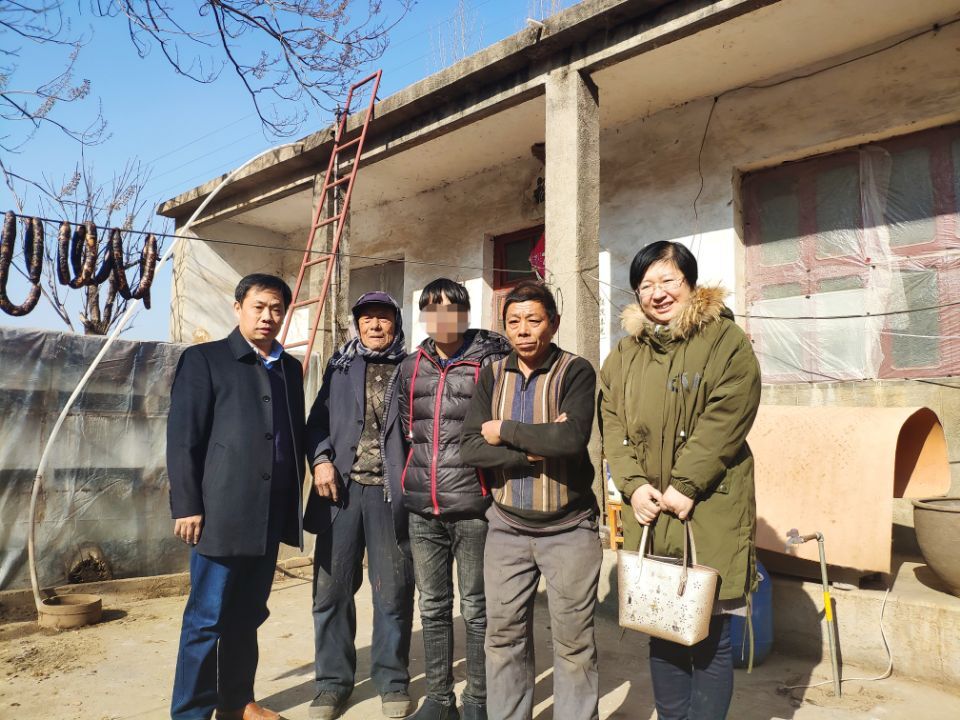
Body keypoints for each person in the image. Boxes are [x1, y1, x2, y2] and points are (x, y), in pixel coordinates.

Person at [598, 241, 761, 720]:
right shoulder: (625, 354)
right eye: (646, 284)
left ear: (691, 284)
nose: (658, 293)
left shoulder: (726, 342)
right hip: (650, 508)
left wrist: (687, 485)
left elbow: (727, 417)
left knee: (708, 633)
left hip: (709, 506)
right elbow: (611, 422)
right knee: (662, 627)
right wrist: (632, 485)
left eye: (668, 280)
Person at [460, 280, 601, 720]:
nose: (523, 330)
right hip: (507, 528)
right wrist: (533, 450)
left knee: (574, 643)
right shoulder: (492, 374)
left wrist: (502, 430)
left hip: (569, 529)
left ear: (553, 323)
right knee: (503, 638)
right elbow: (470, 446)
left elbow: (570, 439)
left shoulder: (575, 371)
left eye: (534, 320)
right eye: (514, 321)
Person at [168, 273, 306, 720]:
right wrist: (187, 504)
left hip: (269, 512)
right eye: (258, 307)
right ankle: (191, 712)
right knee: (206, 618)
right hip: (221, 513)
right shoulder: (205, 360)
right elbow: (183, 438)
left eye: (276, 309)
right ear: (238, 308)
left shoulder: (289, 368)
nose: (268, 316)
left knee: (248, 615)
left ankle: (236, 702)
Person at [395, 278, 510, 720]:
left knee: (477, 607)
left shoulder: (490, 362)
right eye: (433, 309)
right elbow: (408, 428)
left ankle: (478, 699)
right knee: (433, 606)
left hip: (474, 507)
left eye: (451, 309)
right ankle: (440, 700)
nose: (442, 318)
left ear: (465, 313)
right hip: (423, 509)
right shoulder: (411, 366)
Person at [304, 291, 415, 720]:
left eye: (383, 318)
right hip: (342, 492)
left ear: (396, 324)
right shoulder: (340, 366)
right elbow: (316, 423)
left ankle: (392, 680)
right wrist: (321, 461)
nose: (374, 325)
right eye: (367, 318)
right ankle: (332, 683)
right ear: (356, 324)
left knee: (393, 592)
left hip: (391, 494)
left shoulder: (412, 367)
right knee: (331, 591)